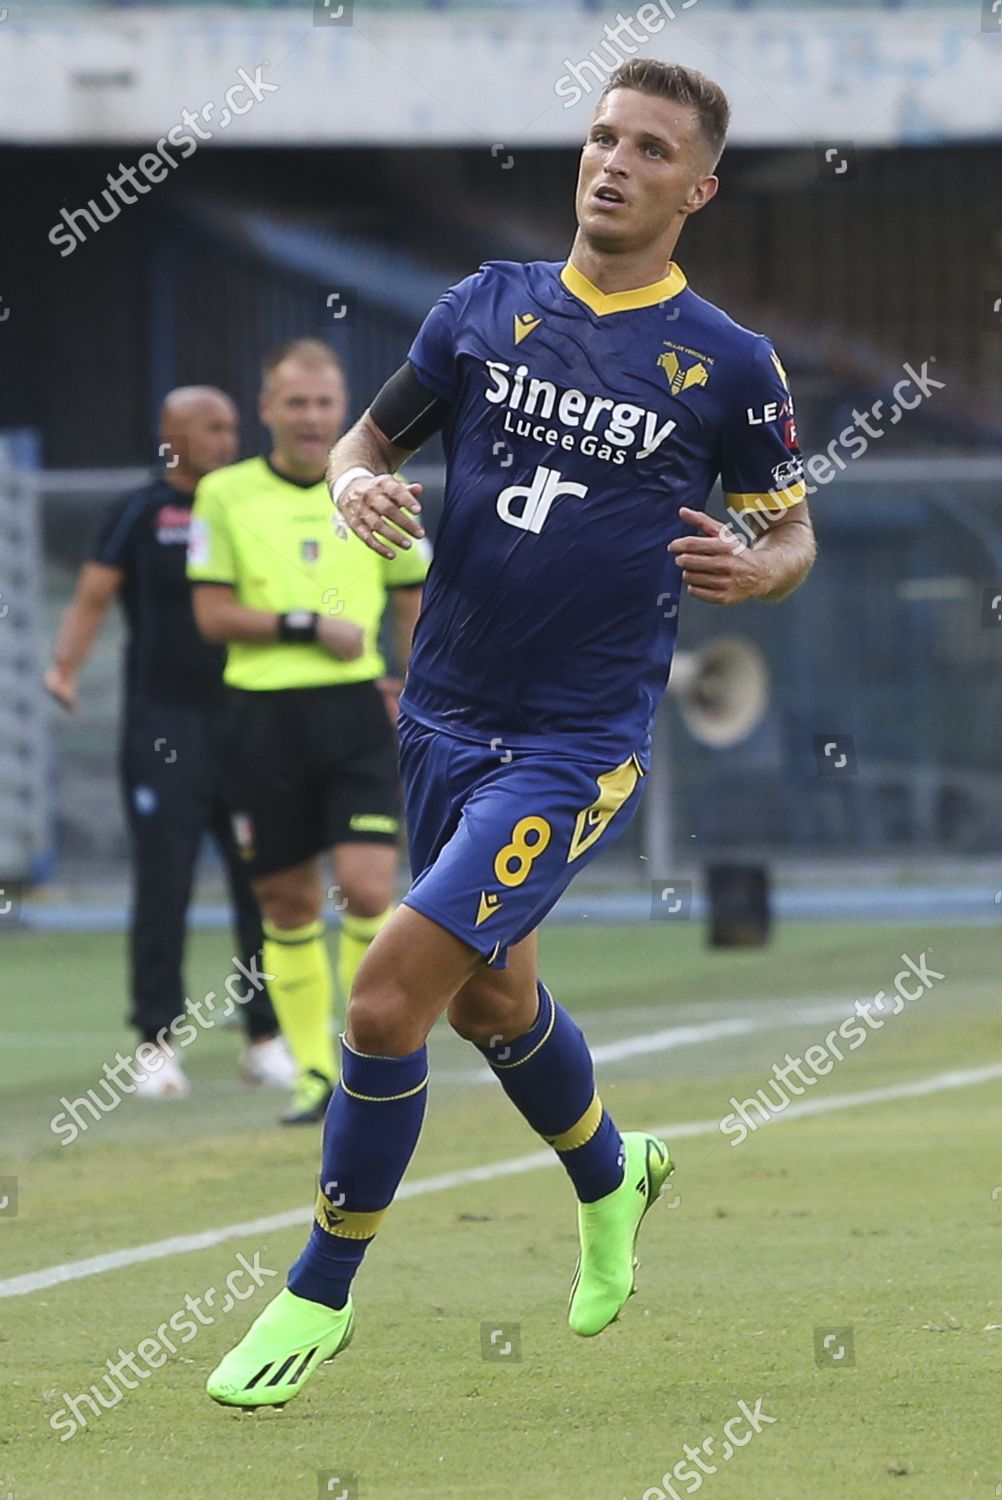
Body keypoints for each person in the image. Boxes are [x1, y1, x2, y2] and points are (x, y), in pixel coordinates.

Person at [206, 58, 816, 1407]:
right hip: (440, 713)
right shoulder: (483, 309)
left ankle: (320, 1288)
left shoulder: (726, 365)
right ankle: (614, 1176)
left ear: (695, 189)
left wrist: (754, 568)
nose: (612, 162)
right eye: (600, 136)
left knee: (384, 1000)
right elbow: (364, 449)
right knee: (490, 998)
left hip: (572, 742)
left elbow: (791, 536)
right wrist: (359, 494)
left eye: (649, 150)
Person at [187, 339, 428, 1126]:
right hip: (261, 720)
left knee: (366, 888)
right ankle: (314, 1075)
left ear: (343, 407)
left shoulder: (371, 485)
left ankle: (365, 1058)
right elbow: (212, 613)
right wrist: (301, 625)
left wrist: (413, 682)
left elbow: (409, 592)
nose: (312, 417)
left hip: (355, 714)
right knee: (287, 905)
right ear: (266, 410)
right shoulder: (225, 494)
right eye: (295, 402)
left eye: (325, 403)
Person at [45, 386, 293, 1099]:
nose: (226, 438)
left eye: (231, 427)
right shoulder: (140, 512)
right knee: (165, 886)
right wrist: (64, 667)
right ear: (170, 435)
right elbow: (91, 597)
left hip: (248, 721)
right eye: (210, 427)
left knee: (265, 883)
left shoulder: (250, 504)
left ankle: (266, 1036)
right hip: (164, 730)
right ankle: (156, 1043)